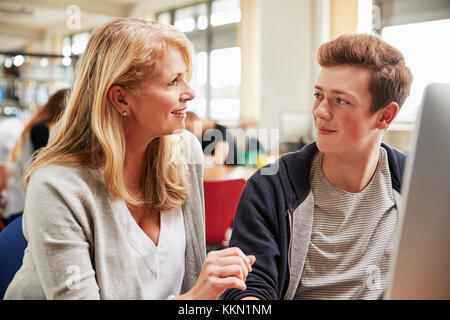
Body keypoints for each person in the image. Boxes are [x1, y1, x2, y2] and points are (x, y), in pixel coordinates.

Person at [4, 18, 254, 300]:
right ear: (121, 99)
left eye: (186, 77)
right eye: (174, 81)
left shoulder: (184, 151)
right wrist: (195, 299)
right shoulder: (56, 187)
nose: (190, 93)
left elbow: (192, 276)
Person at [222, 33, 413, 300]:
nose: (320, 111)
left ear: (385, 116)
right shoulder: (270, 187)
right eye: (318, 95)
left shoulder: (415, 185)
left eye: (340, 100)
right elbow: (247, 288)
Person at [1, 89, 67, 226]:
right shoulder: (41, 130)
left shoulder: (39, 126)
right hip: (22, 208)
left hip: (20, 205)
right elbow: (47, 169)